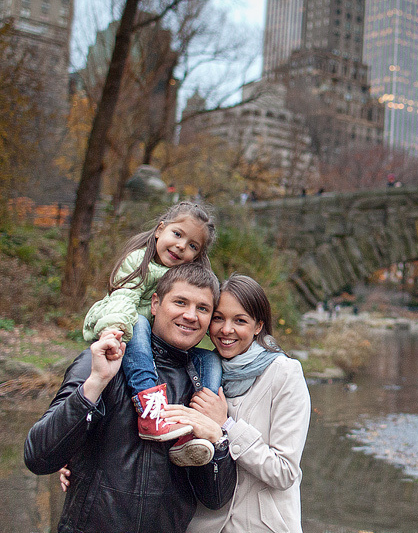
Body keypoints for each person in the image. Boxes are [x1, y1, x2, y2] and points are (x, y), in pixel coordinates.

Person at [26, 263, 237, 533]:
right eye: (180, 302)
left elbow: (216, 499)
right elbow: (38, 456)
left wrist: (217, 440)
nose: (190, 315)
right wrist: (95, 383)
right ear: (155, 304)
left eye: (203, 308)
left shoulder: (205, 387)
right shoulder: (106, 360)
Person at [82, 200, 222, 464]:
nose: (181, 246)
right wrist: (115, 328)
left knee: (210, 359)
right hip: (123, 326)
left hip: (158, 341)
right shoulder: (139, 261)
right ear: (160, 229)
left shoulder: (189, 276)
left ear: (198, 254)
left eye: (192, 245)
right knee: (140, 322)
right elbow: (123, 299)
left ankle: (196, 425)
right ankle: (151, 411)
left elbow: (205, 311)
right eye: (177, 234)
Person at [173, 274, 311, 533]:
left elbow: (283, 473)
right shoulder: (198, 370)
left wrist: (226, 425)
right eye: (218, 318)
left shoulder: (284, 374)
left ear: (258, 326)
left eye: (240, 321)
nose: (226, 330)